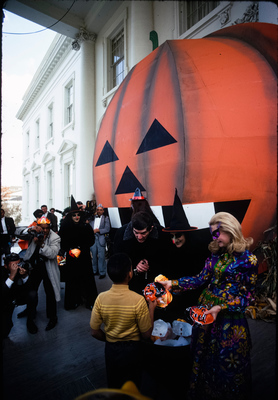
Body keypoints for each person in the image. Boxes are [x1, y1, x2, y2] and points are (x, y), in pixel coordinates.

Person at [158, 212, 258, 400]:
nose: (215, 238)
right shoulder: (214, 255)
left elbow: (249, 297)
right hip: (205, 316)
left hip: (230, 322)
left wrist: (221, 307)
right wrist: (173, 283)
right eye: (213, 233)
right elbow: (199, 279)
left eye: (218, 233)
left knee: (227, 363)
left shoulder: (248, 260)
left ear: (230, 229)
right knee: (202, 357)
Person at [90, 252, 157, 389]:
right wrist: (152, 307)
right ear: (130, 274)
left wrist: (110, 339)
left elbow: (94, 332)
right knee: (133, 383)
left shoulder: (100, 299)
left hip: (111, 349)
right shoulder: (138, 300)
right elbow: (146, 334)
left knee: (114, 382)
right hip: (133, 350)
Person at [160, 189, 210, 322]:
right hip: (176, 301)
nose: (175, 240)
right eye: (172, 236)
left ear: (186, 234)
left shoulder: (200, 250)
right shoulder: (170, 251)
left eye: (178, 235)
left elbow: (201, 279)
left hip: (196, 301)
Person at [113, 211, 172, 294]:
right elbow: (117, 261)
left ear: (151, 228)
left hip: (155, 280)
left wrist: (150, 264)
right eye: (136, 232)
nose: (139, 237)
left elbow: (168, 259)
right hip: (131, 283)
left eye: (143, 233)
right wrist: (134, 265)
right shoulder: (121, 234)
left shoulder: (162, 234)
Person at [21, 216, 61, 334]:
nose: (43, 230)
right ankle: (30, 315)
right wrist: (30, 230)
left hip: (47, 268)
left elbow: (53, 254)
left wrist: (42, 244)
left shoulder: (55, 237)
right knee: (31, 291)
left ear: (50, 228)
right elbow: (18, 233)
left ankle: (53, 318)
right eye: (41, 227)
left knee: (50, 292)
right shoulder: (33, 231)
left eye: (46, 228)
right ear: (37, 226)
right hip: (34, 267)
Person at [58, 195, 98, 311]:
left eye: (78, 215)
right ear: (71, 216)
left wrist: (81, 248)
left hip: (84, 257)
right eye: (74, 215)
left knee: (87, 279)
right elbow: (62, 241)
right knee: (72, 279)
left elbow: (91, 240)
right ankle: (73, 301)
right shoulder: (65, 228)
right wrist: (70, 249)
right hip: (71, 257)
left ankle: (90, 301)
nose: (76, 217)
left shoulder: (86, 227)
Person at [1, 253, 30, 340]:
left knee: (33, 295)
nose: (16, 267)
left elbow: (30, 288)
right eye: (13, 265)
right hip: (4, 303)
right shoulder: (2, 272)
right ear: (6, 266)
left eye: (18, 264)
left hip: (16, 299)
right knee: (5, 328)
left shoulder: (22, 269)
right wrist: (12, 275)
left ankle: (31, 322)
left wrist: (25, 276)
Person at [89, 204, 110, 279]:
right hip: (93, 238)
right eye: (98, 210)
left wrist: (98, 230)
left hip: (101, 238)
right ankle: (94, 271)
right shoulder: (92, 218)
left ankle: (102, 272)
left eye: (101, 210)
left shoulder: (106, 218)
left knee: (101, 256)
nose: (99, 211)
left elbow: (107, 229)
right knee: (93, 256)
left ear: (103, 211)